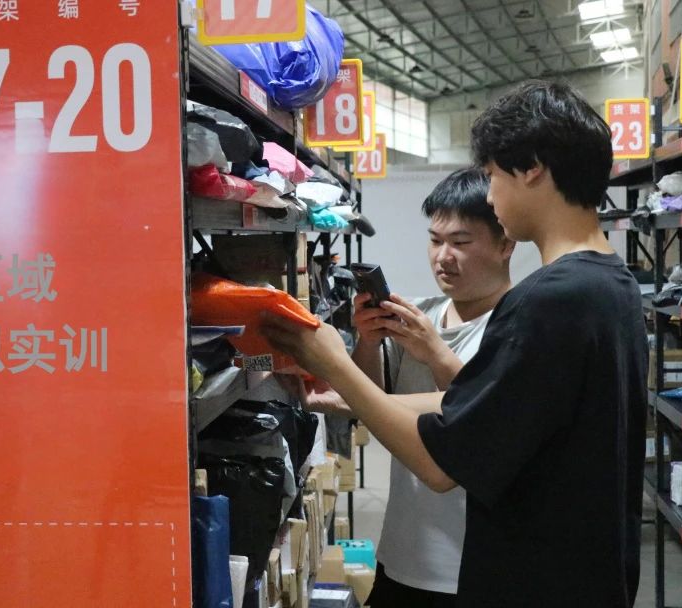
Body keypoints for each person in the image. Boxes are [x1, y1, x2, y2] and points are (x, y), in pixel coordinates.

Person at [262, 80, 647, 608]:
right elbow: (489, 406)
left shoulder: (550, 300)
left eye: (493, 176)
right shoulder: (611, 283)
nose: (489, 195)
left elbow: (440, 465)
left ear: (532, 169)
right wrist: (351, 391)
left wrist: (332, 361)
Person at [346, 168, 513, 608]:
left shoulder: (517, 328)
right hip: (402, 552)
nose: (443, 257)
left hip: (473, 567)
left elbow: (484, 422)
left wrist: (435, 352)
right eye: (435, 240)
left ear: (506, 244)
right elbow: (371, 402)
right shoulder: (419, 316)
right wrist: (368, 340)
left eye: (460, 242)